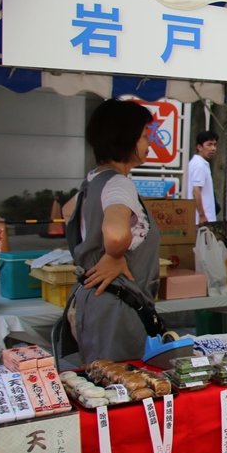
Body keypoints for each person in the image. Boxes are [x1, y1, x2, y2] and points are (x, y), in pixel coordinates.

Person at [63, 100, 161, 363]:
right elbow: (116, 233)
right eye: (143, 136)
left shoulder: (95, 178)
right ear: (124, 138)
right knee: (121, 388)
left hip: (94, 301)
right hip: (115, 308)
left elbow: (66, 211)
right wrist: (113, 256)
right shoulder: (119, 183)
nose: (148, 143)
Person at [187, 130, 219, 225]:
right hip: (201, 220)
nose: (213, 148)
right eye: (209, 145)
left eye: (214, 145)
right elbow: (196, 191)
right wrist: (202, 215)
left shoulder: (196, 163)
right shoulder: (199, 165)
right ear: (199, 147)